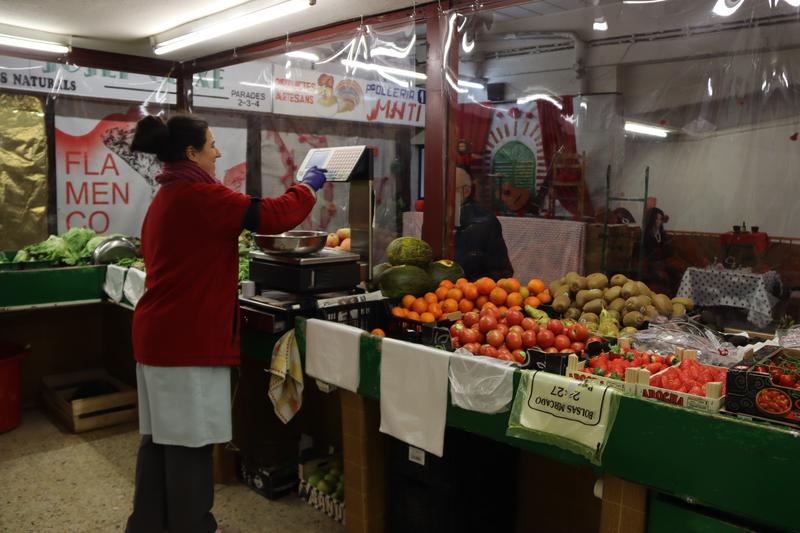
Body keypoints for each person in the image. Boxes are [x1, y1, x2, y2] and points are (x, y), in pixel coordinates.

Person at [125, 114, 325, 533]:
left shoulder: (168, 194)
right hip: (185, 340)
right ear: (191, 153)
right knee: (190, 447)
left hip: (160, 335)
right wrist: (308, 185)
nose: (218, 152)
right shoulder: (199, 195)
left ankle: (147, 525)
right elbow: (271, 215)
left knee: (161, 443)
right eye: (211, 145)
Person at [454, 166, 514, 280]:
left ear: (466, 191)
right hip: (438, 293)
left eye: (450, 189)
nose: (443, 195)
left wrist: (474, 287)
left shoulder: (486, 223)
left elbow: (502, 271)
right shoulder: (434, 220)